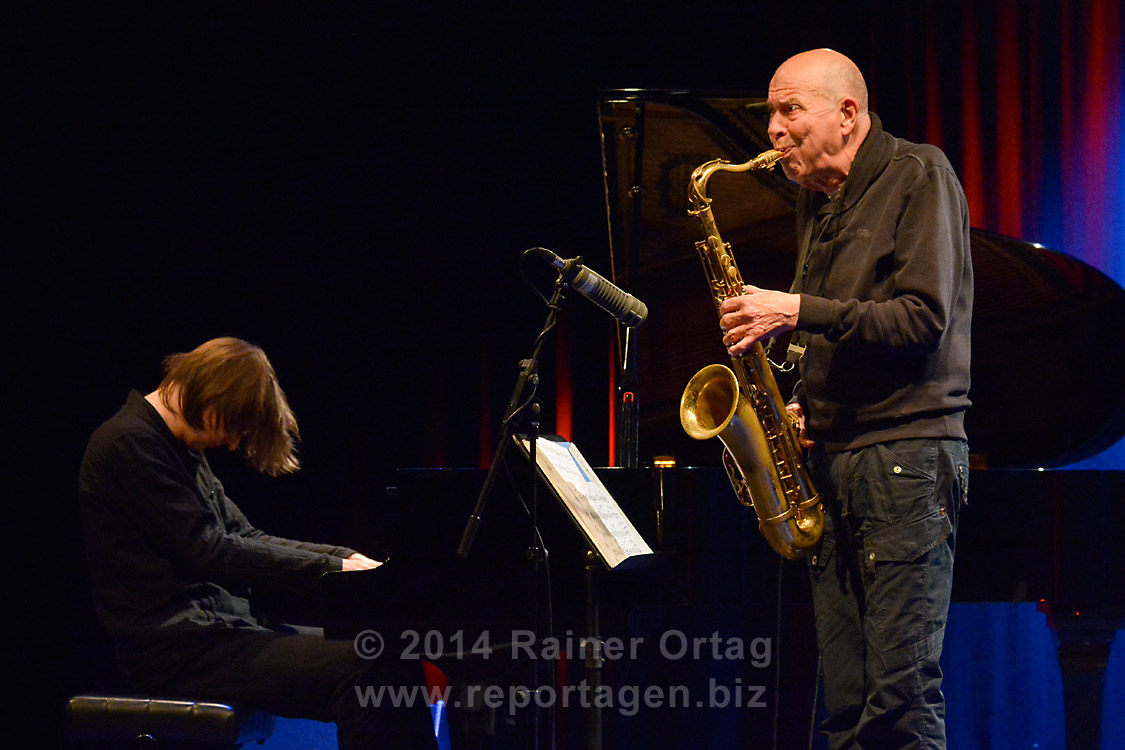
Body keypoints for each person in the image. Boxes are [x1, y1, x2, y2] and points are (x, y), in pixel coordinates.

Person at [719, 49, 972, 749]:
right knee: (845, 705)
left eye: (788, 110)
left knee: (897, 703)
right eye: (771, 113)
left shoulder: (918, 174)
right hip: (833, 461)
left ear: (847, 114)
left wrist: (794, 310)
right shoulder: (818, 203)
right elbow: (836, 327)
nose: (772, 129)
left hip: (904, 460)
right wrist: (800, 402)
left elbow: (920, 319)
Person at [78, 336, 438, 749]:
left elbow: (246, 537)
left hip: (220, 633)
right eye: (232, 428)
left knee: (390, 651)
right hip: (175, 650)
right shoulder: (130, 443)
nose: (231, 444)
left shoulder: (175, 447)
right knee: (368, 669)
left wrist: (346, 558)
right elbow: (209, 549)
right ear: (208, 395)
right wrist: (334, 570)